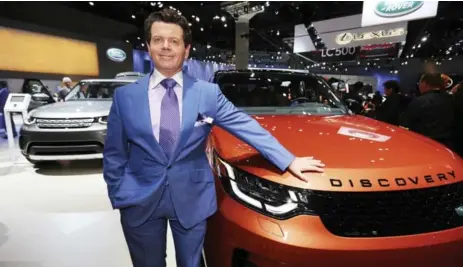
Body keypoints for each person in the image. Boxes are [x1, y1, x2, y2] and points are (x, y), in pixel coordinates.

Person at [103, 9, 325, 267]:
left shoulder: (208, 94)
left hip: (192, 198)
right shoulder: (125, 97)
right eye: (158, 40)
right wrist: (118, 191)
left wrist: (288, 160)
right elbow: (114, 153)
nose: (166, 47)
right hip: (138, 199)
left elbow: (245, 125)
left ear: (186, 50)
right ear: (149, 45)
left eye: (174, 41)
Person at [402, 73, 455, 149]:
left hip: (423, 145)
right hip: (447, 146)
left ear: (425, 83)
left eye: (419, 83)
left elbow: (408, 123)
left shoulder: (419, 101)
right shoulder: (451, 100)